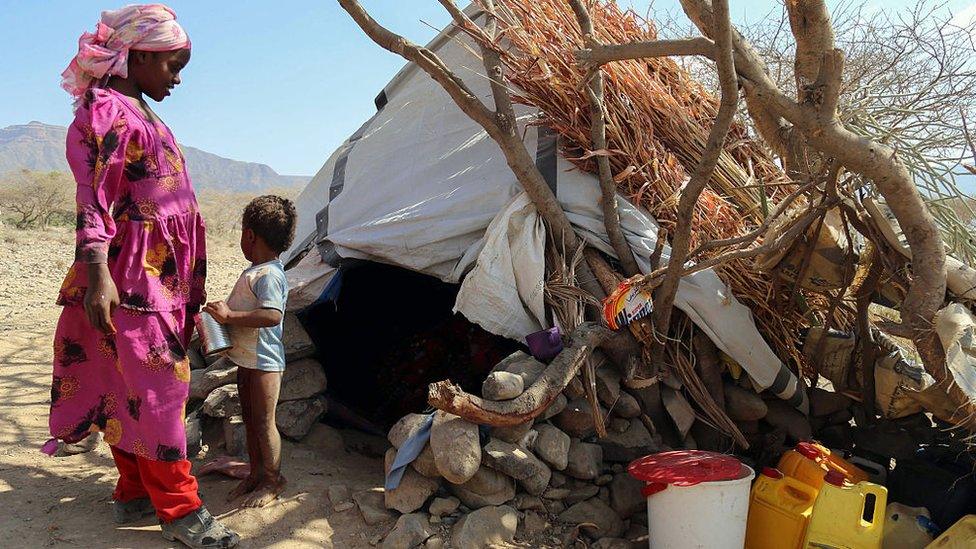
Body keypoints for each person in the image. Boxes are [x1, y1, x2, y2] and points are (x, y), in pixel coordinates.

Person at [48, 5, 239, 548]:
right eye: (173, 65)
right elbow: (94, 200)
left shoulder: (141, 108)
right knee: (160, 391)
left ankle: (133, 489)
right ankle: (181, 512)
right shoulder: (105, 112)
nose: (178, 79)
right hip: (131, 278)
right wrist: (98, 275)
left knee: (128, 383)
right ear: (140, 56)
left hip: (162, 276)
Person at [203, 195, 295, 508]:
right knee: (252, 421)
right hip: (248, 360)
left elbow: (272, 315)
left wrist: (229, 317)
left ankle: (273, 480)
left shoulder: (269, 274)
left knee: (264, 423)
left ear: (250, 235)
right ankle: (256, 475)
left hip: (265, 363)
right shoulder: (256, 271)